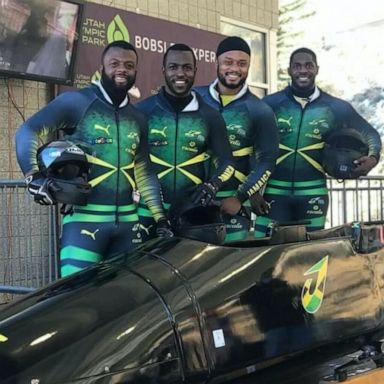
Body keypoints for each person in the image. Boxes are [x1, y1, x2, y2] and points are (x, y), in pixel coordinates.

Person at [15, 40, 172, 277]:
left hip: (129, 224)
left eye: (129, 65)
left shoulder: (137, 117)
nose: (122, 69)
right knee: (76, 302)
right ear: (101, 67)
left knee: (124, 302)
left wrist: (160, 218)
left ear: (135, 72)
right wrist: (33, 176)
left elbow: (143, 169)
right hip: (83, 222)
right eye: (115, 63)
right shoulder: (77, 102)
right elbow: (28, 131)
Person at [253, 47, 382, 236]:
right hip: (273, 193)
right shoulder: (271, 103)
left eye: (308, 65)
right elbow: (248, 144)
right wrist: (252, 191)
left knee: (309, 256)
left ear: (317, 69)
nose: (303, 70)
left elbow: (370, 133)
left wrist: (373, 158)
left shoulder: (336, 107)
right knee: (264, 254)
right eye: (297, 66)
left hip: (313, 194)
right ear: (289, 71)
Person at [136, 43, 235, 241]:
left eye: (187, 68)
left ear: (195, 71)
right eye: (173, 67)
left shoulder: (209, 115)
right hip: (146, 213)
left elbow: (227, 163)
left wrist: (212, 185)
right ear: (164, 70)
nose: (180, 73)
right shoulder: (142, 111)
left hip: (192, 213)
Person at [195, 36, 279, 241]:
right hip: (194, 200)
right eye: (228, 62)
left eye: (242, 64)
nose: (234, 69)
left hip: (232, 204)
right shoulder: (194, 97)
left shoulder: (260, 110)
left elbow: (267, 160)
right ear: (217, 62)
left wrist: (241, 197)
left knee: (229, 265)